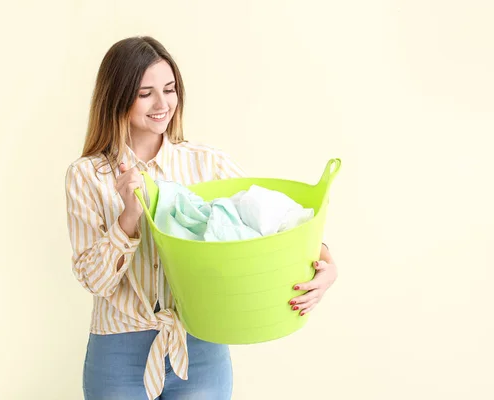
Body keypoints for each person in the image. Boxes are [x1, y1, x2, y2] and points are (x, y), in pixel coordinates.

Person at [64, 36, 338, 400]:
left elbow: (263, 227)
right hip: (117, 350)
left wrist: (326, 261)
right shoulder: (86, 175)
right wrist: (128, 216)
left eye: (169, 89)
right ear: (117, 97)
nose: (163, 104)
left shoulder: (207, 163)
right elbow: (95, 282)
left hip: (200, 348)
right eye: (145, 93)